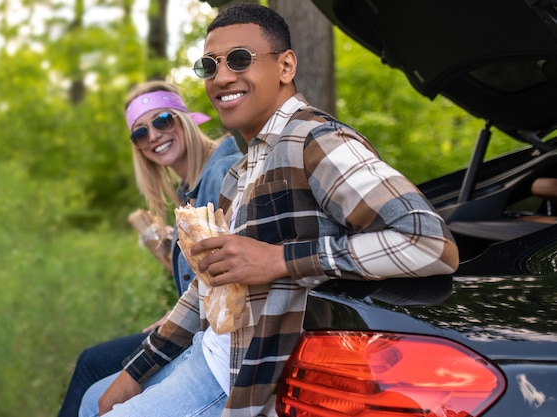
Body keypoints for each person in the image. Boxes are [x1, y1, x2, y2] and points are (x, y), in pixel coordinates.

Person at [82, 4, 460, 417]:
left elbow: (430, 243)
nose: (222, 77)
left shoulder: (313, 140)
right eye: (210, 66)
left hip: (236, 377)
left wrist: (279, 260)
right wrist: (136, 371)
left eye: (240, 59)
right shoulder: (240, 170)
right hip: (206, 352)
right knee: (93, 399)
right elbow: (206, 285)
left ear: (285, 66)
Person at [56, 80, 242, 417]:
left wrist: (176, 317)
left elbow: (228, 286)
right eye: (140, 133)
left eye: (162, 121)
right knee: (92, 372)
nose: (153, 136)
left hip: (215, 343)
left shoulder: (221, 174)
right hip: (197, 326)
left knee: (91, 368)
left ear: (184, 118)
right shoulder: (189, 187)